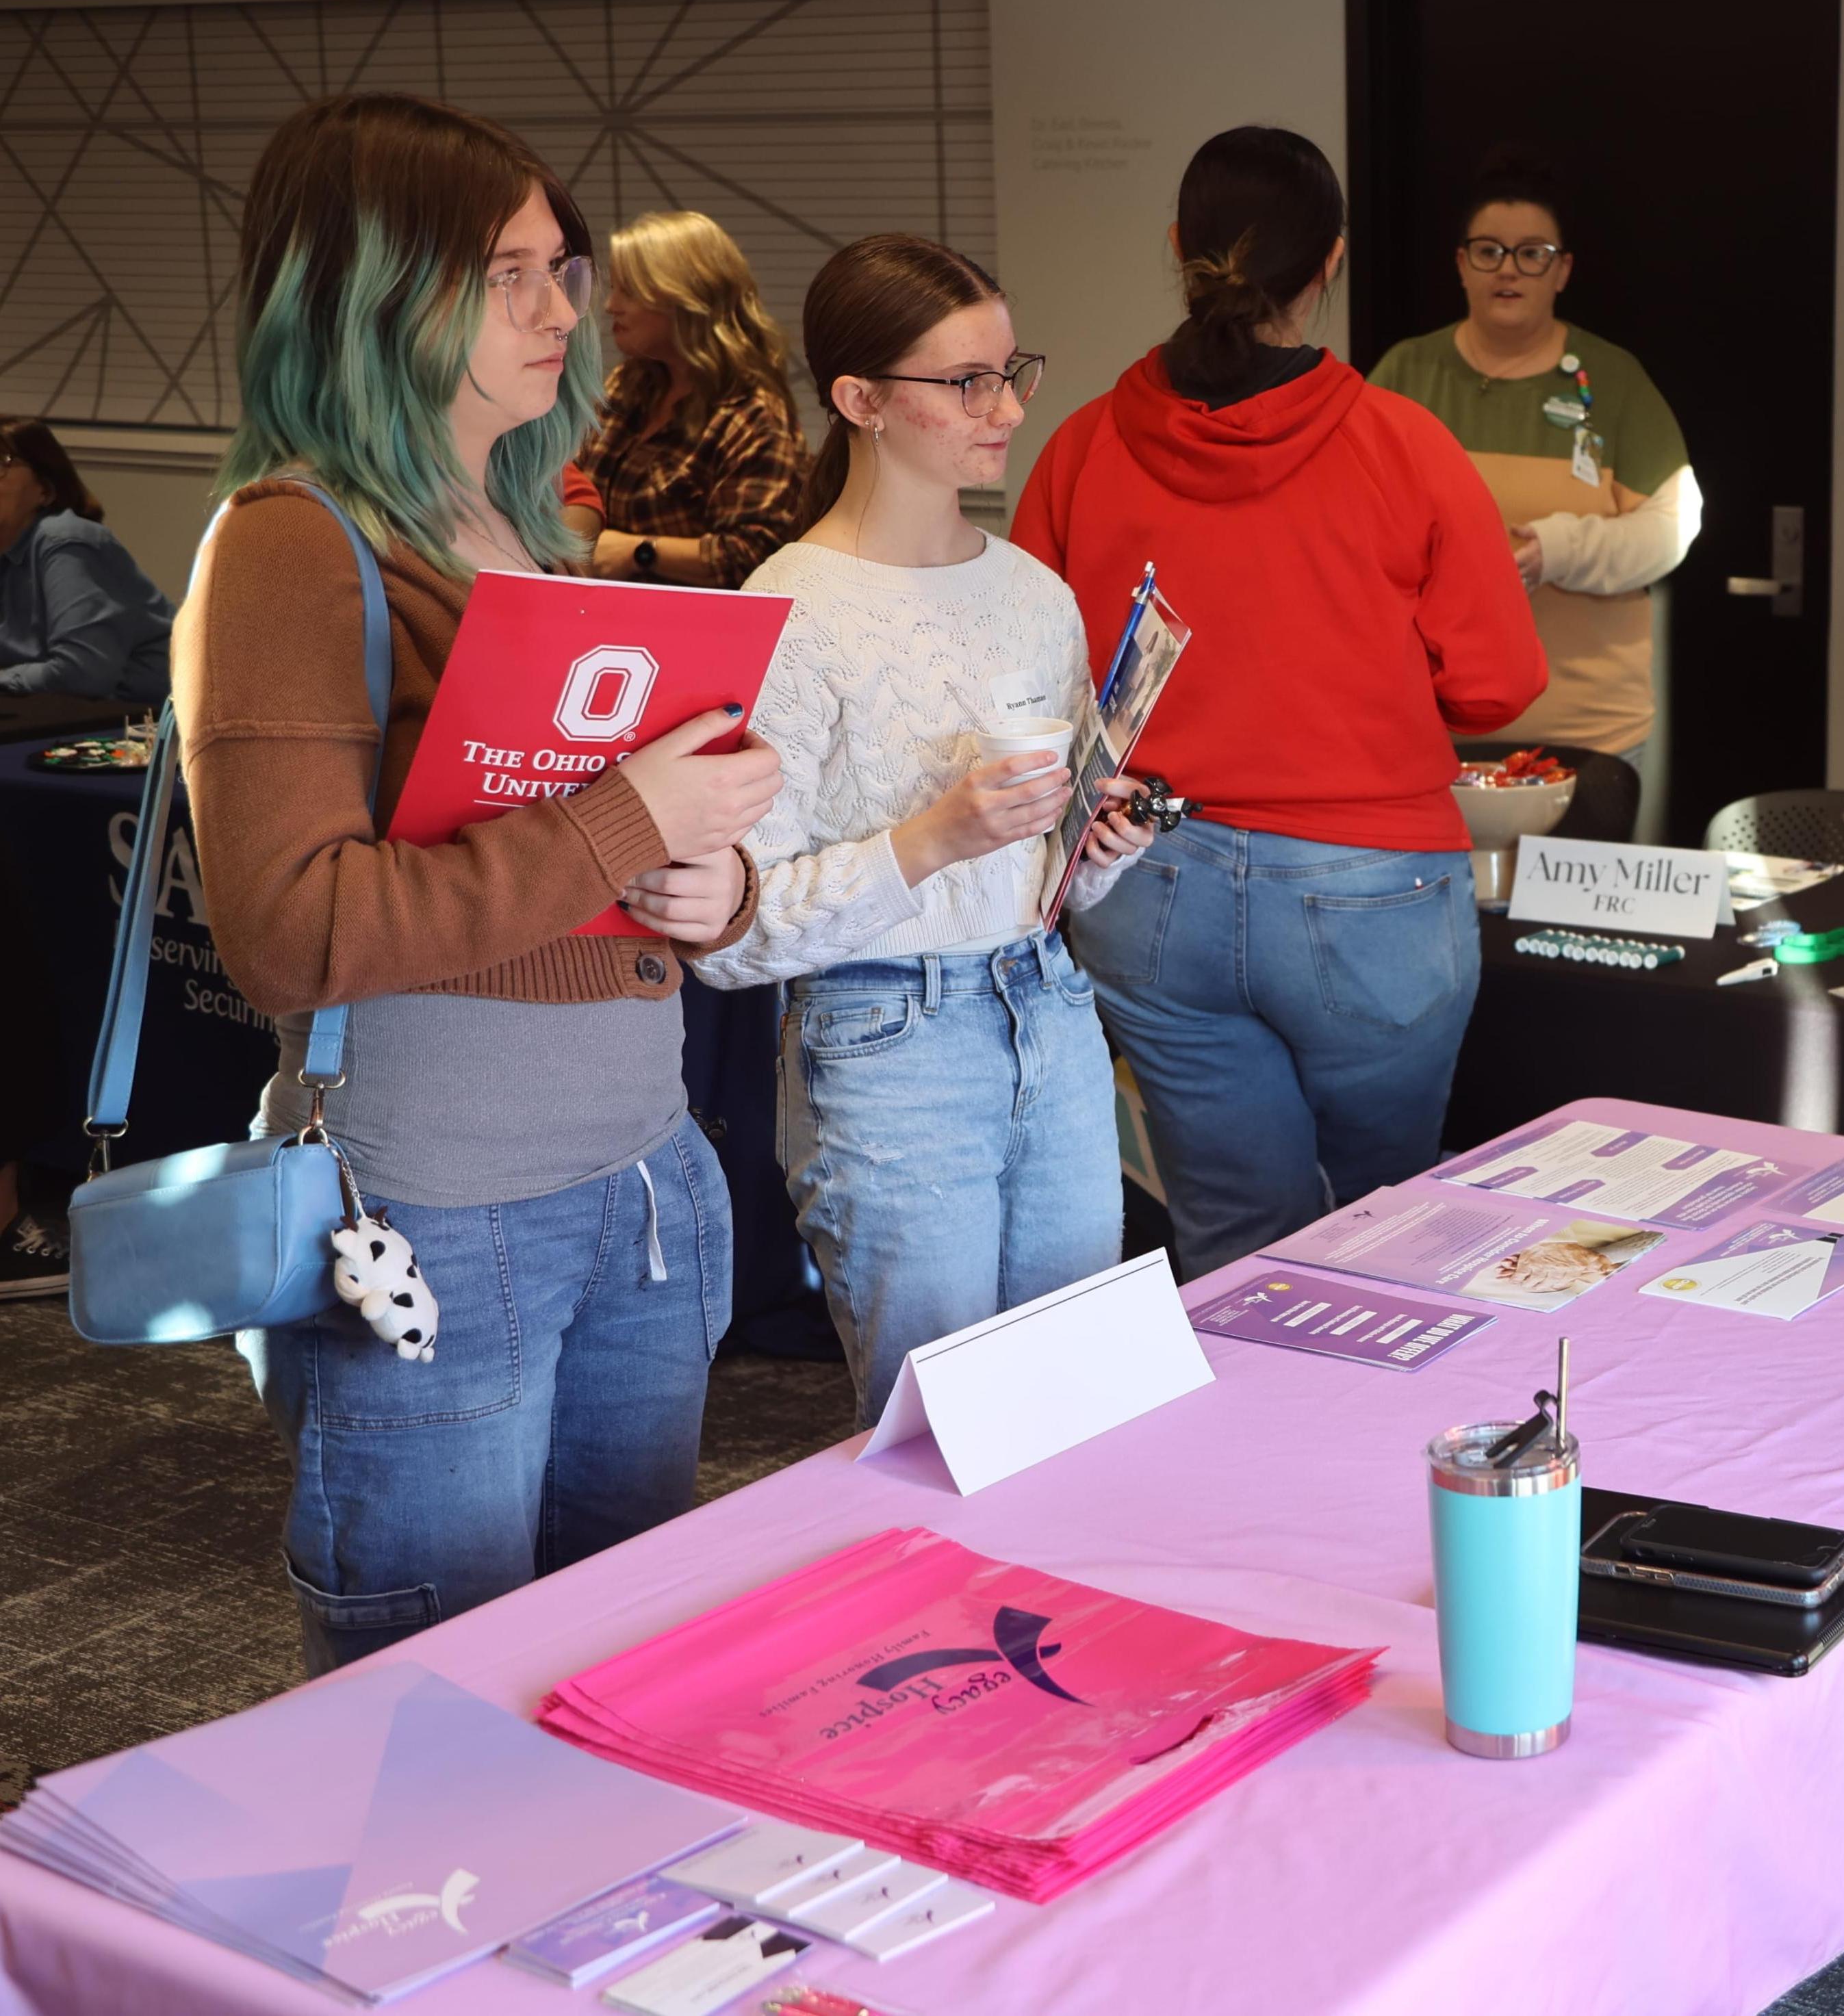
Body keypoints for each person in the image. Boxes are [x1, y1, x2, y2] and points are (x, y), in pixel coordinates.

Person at [173, 92, 781, 1672]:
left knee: (613, 1668)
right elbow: (292, 933)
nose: (560, 307)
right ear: (373, 292)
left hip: (643, 1184)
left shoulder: (526, 530)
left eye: (561, 267)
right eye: (507, 271)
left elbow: (603, 860)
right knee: (432, 1699)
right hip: (442, 1210)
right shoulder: (294, 545)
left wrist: (711, 888)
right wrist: (621, 825)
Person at [1014, 125, 1545, 1278]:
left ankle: (1244, 1457)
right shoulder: (1403, 446)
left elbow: (1028, 672)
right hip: (1370, 890)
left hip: (1147, 881)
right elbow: (1500, 683)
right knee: (1390, 1234)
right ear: (1331, 262)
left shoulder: (1082, 446)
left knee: (1232, 1238)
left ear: (1177, 247)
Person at [695, 235, 1156, 1426]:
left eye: (1011, 372)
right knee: (938, 1431)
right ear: (859, 400)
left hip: (1047, 1008)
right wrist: (933, 839)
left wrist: (1088, 852)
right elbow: (734, 933)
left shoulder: (1030, 591)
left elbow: (1037, 888)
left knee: (1075, 1408)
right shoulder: (789, 608)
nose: (1002, 408)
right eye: (965, 382)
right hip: (885, 1034)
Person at [1367, 150, 1695, 836]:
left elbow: (1672, 528)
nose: (1508, 269)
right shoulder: (1407, 373)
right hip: (1432, 722)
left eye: (1532, 253)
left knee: (1574, 937)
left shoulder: (1614, 379)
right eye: (1488, 251)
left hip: (1588, 732)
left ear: (1562, 271)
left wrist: (1560, 550)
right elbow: (1354, 528)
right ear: (1461, 265)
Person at [566, 209, 806, 586]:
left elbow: (759, 553)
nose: (611, 305)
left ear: (684, 298)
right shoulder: (630, 383)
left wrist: (640, 553)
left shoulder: (754, 414)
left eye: (628, 289)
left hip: (694, 629)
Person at [0, 418, 173, 703]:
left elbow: (81, 673)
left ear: (46, 489)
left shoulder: (65, 540)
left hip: (143, 725)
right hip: (61, 715)